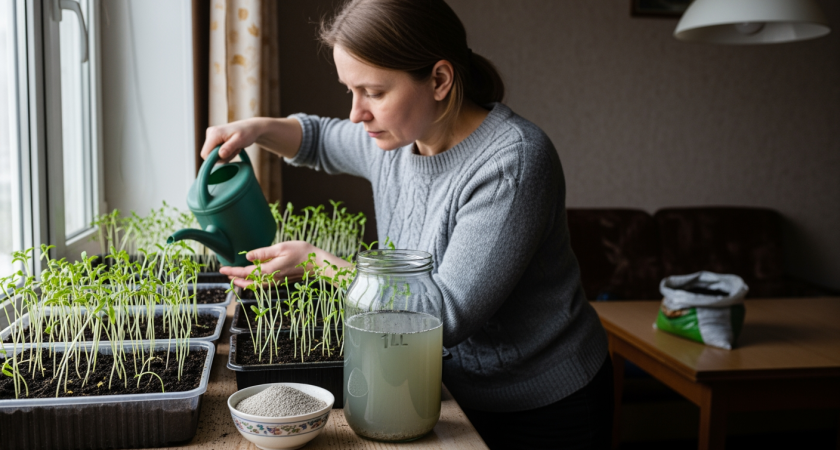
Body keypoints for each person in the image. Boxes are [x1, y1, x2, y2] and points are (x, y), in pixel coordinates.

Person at [200, 0, 613, 448]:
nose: (357, 113)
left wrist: (320, 265)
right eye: (349, 91)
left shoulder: (512, 161)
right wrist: (256, 129)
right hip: (444, 389)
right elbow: (317, 139)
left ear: (439, 80)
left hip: (542, 404)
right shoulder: (399, 139)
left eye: (373, 92)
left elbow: (444, 315)